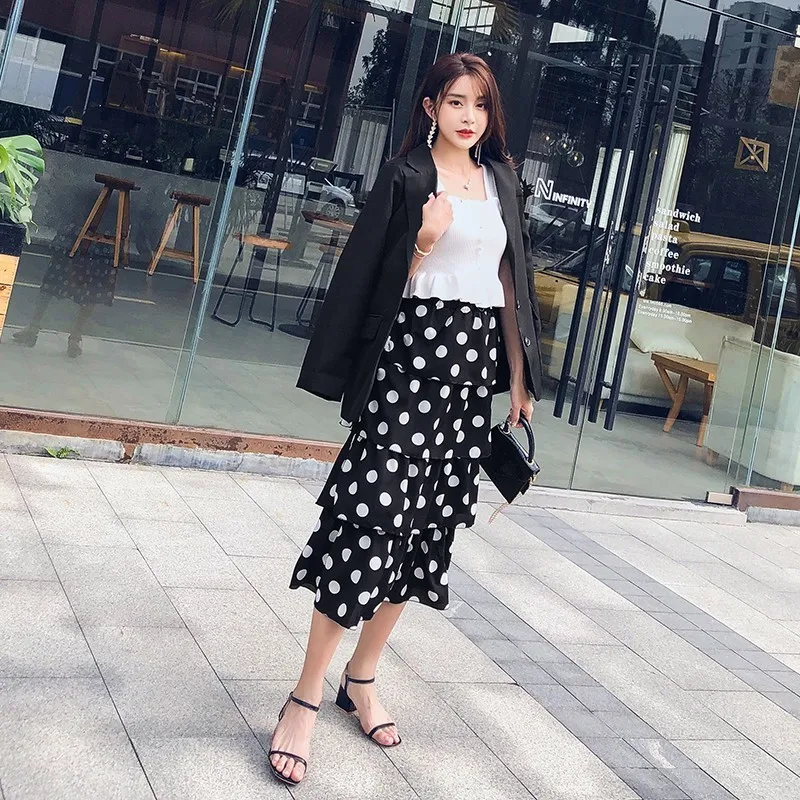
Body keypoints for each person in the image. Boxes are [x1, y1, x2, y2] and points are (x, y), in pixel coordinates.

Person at [268, 52, 544, 786]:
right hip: (407, 368)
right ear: (430, 107)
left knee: (425, 532)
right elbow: (370, 280)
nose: (467, 116)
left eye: (479, 104)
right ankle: (305, 693)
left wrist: (518, 380)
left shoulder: (501, 180)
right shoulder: (406, 177)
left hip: (470, 378)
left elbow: (509, 281)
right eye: (454, 101)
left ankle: (362, 676)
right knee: (367, 520)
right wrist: (422, 241)